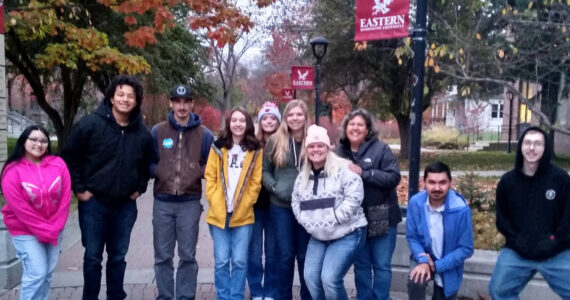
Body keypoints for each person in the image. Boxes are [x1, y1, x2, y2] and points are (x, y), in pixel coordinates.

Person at [61, 75, 153, 300]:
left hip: (124, 206)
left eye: (130, 96)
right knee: (92, 257)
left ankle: (115, 295)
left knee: (118, 257)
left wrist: (139, 188)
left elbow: (147, 164)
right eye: (120, 94)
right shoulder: (91, 124)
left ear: (136, 101)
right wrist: (80, 190)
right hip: (94, 204)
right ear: (111, 97)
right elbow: (69, 157)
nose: (125, 99)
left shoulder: (141, 133)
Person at [489, 127, 570, 299]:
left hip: (557, 251)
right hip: (518, 251)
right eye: (528, 143)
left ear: (545, 147)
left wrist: (555, 240)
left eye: (538, 143)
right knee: (498, 291)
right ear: (521, 147)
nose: (532, 148)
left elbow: (568, 216)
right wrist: (517, 240)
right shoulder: (507, 182)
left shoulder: (560, 179)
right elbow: (503, 219)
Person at [150, 84, 214, 300]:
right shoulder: (158, 131)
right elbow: (148, 161)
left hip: (190, 202)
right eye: (177, 101)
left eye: (186, 101)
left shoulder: (204, 134)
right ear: (171, 103)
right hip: (163, 202)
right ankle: (166, 296)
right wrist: (158, 170)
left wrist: (197, 171)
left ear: (192, 103)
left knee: (187, 256)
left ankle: (186, 297)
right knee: (163, 256)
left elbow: (211, 165)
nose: (182, 106)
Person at [291, 124, 368, 300]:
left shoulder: (343, 169)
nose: (315, 149)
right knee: (310, 278)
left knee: (330, 279)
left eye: (320, 145)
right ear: (306, 150)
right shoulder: (302, 176)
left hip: (346, 233)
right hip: (319, 235)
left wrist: (335, 217)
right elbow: (295, 200)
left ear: (327, 147)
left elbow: (355, 195)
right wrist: (305, 220)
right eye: (311, 146)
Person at [334, 109, 401, 300]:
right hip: (354, 220)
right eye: (351, 124)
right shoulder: (338, 152)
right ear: (346, 128)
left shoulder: (381, 149)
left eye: (360, 125)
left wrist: (365, 173)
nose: (355, 128)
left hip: (383, 217)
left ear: (368, 129)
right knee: (361, 266)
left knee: (381, 265)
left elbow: (393, 177)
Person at [1, 126, 71, 300]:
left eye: (43, 141)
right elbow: (20, 209)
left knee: (46, 274)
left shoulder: (58, 164)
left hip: (55, 228)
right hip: (25, 230)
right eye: (33, 139)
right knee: (36, 273)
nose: (38, 144)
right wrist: (46, 230)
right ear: (24, 141)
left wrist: (56, 226)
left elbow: (66, 197)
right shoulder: (12, 170)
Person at [204, 107, 263, 300]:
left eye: (242, 120)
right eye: (234, 120)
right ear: (229, 124)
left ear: (247, 124)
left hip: (243, 216)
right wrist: (214, 199)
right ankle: (223, 296)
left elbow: (256, 182)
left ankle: (236, 296)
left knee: (239, 261)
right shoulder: (218, 147)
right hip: (219, 214)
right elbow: (210, 177)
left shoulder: (255, 150)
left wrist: (246, 203)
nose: (238, 124)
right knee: (221, 261)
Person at [262, 99, 311, 300]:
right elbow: (265, 171)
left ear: (305, 116)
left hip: (308, 207)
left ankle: (308, 296)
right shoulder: (276, 140)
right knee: (285, 256)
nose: (295, 118)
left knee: (305, 256)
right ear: (285, 118)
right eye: (291, 115)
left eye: (299, 114)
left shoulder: (313, 138)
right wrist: (275, 187)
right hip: (281, 207)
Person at [406, 161, 474, 300]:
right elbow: (412, 237)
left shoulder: (461, 210)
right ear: (424, 182)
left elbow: (466, 248)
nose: (437, 188)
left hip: (448, 262)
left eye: (442, 182)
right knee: (415, 280)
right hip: (423, 255)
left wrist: (436, 266)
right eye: (431, 182)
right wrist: (423, 260)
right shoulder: (416, 203)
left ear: (450, 183)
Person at [247, 101, 281, 300]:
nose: (268, 121)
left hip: (276, 206)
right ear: (260, 122)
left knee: (272, 253)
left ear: (278, 121)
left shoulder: (284, 143)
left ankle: (270, 291)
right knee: (253, 253)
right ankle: (256, 291)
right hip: (254, 206)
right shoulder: (252, 144)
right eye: (265, 118)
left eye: (272, 118)